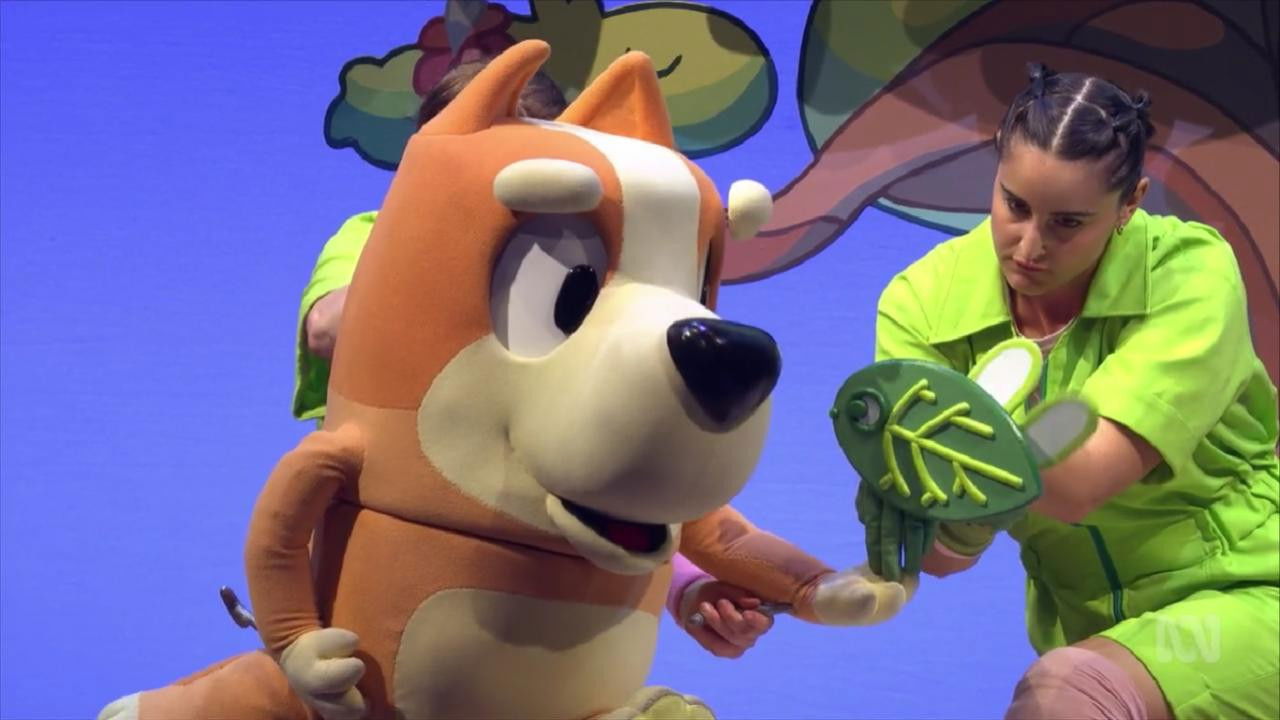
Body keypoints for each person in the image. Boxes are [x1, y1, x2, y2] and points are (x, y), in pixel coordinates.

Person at [292, 57, 776, 661]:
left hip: (534, 607)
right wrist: (452, 250)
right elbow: (328, 328)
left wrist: (691, 590)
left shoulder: (584, 267)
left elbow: (598, 468)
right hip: (388, 576)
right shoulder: (375, 234)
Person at [868, 62, 1278, 719]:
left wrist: (961, 470)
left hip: (1251, 590)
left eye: (1067, 223)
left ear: (1131, 203)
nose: (1029, 246)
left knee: (1066, 696)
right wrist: (926, 522)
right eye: (1015, 205)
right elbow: (942, 557)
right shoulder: (921, 304)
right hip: (1087, 629)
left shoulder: (1190, 273)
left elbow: (1083, 480)